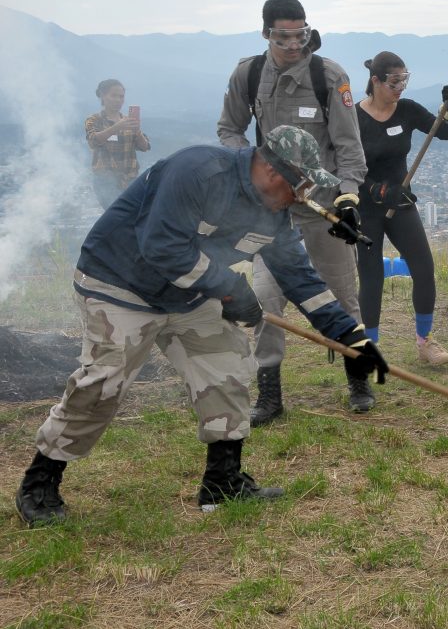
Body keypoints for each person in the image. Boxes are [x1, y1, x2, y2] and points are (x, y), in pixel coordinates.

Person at [14, 126, 389, 526]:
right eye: (301, 187)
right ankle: (39, 483)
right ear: (272, 172)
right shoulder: (197, 170)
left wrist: (350, 337)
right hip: (119, 285)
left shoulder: (273, 214)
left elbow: (300, 278)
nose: (302, 198)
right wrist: (229, 288)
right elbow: (162, 246)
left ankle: (223, 482)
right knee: (103, 382)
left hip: (188, 294)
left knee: (227, 367)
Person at [217, 0, 370, 422]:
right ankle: (270, 395)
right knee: (267, 301)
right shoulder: (248, 74)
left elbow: (348, 148)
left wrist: (348, 197)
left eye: (300, 34)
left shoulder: (329, 76)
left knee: (341, 294)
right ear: (267, 33)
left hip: (322, 204)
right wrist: (249, 167)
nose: (293, 44)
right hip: (272, 210)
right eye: (283, 36)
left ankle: (357, 380)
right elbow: (229, 129)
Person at [355, 51, 448, 366]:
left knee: (424, 268)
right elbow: (342, 165)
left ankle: (425, 341)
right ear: (376, 80)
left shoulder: (407, 110)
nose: (400, 87)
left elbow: (444, 132)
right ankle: (368, 349)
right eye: (394, 81)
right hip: (366, 206)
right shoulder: (354, 118)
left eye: (405, 79)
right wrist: (377, 189)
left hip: (401, 202)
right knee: (371, 275)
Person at [84, 78, 150, 208]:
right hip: (106, 180)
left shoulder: (128, 121)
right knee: (116, 215)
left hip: (130, 179)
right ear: (103, 96)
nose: (118, 100)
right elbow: (94, 141)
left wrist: (137, 131)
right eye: (113, 96)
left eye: (121, 97)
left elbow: (145, 146)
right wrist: (116, 127)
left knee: (133, 217)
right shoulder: (94, 120)